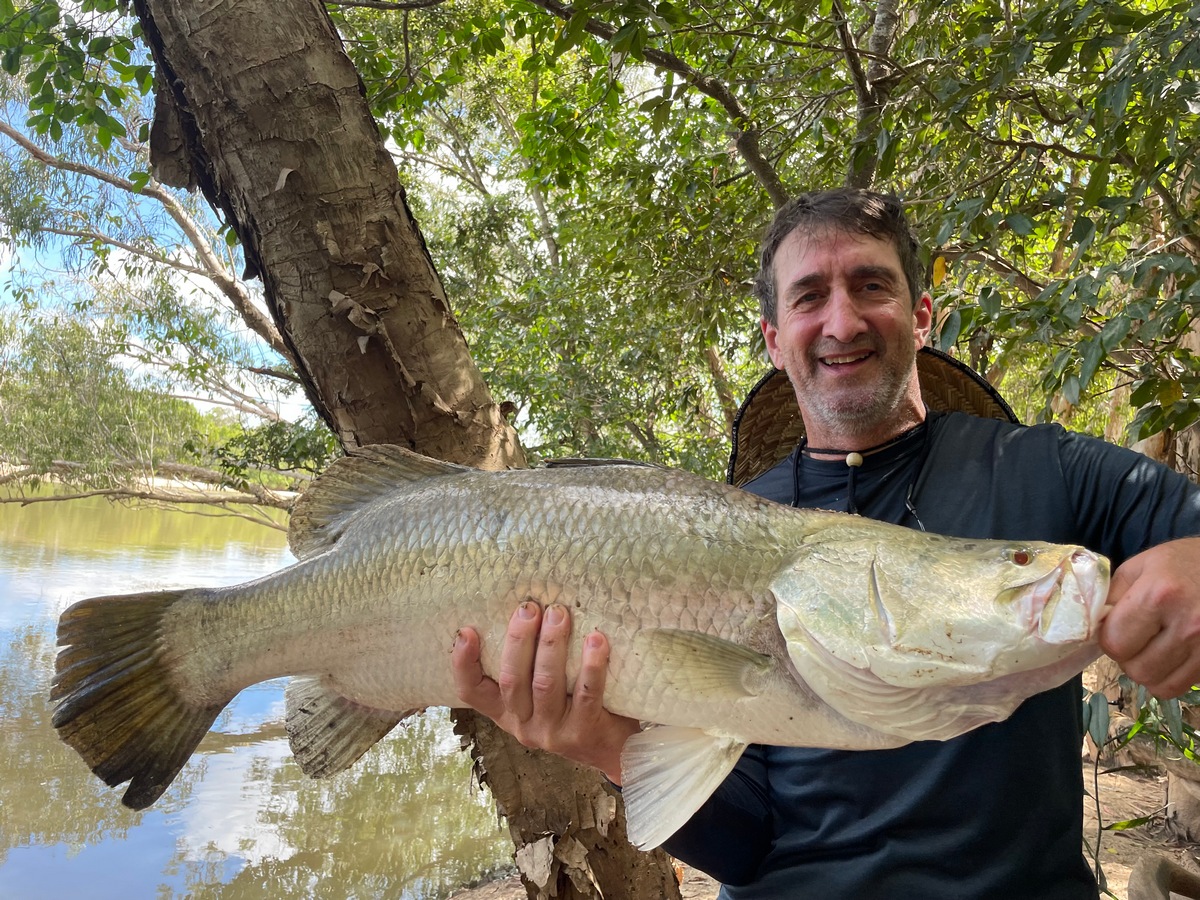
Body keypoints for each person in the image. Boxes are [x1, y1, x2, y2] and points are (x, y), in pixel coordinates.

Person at [451, 188, 1200, 898]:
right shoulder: (731, 524)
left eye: (871, 286)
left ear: (922, 314)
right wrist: (605, 746)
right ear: (776, 341)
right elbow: (746, 846)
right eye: (810, 297)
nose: (842, 322)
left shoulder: (1053, 471)